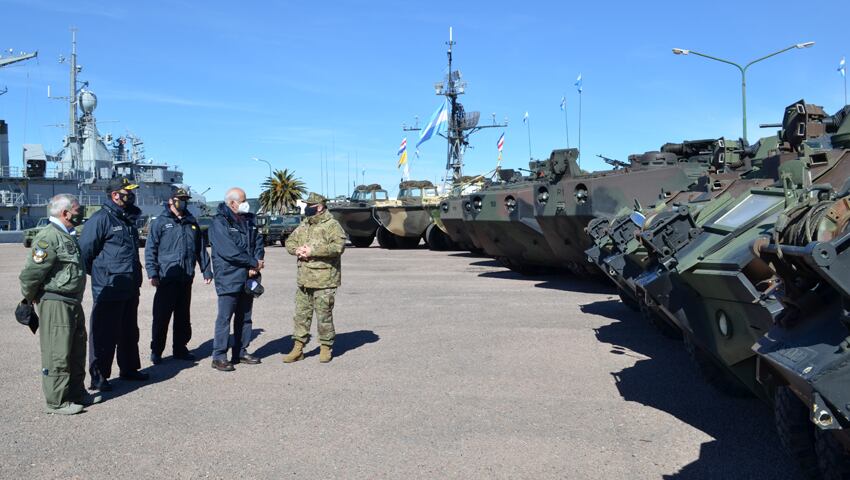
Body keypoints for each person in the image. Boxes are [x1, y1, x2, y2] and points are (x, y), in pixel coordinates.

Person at [19, 194, 97, 414]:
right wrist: (29, 298)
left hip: (73, 301)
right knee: (58, 352)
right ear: (65, 213)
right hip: (55, 301)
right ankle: (57, 401)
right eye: (77, 209)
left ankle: (76, 393)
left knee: (76, 350)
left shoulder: (68, 236)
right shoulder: (48, 238)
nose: (80, 212)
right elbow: (31, 274)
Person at [80, 176, 148, 391]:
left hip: (129, 284)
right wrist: (101, 274)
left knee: (129, 331)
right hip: (108, 286)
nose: (131, 195)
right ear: (115, 195)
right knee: (104, 333)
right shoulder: (101, 219)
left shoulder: (126, 219)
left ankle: (129, 369)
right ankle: (99, 377)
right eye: (127, 192)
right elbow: (84, 253)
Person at [145, 187, 213, 365]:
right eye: (179, 199)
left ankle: (180, 349)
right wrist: (152, 272)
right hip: (166, 277)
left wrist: (206, 270)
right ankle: (157, 351)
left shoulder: (191, 222)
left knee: (183, 317)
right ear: (171, 201)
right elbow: (150, 249)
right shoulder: (160, 222)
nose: (183, 202)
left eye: (185, 199)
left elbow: (200, 248)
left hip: (186, 277)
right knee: (161, 317)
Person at [283, 192, 346, 364]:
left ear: (318, 207)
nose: (306, 209)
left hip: (324, 279)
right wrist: (297, 250)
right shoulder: (305, 224)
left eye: (309, 206)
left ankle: (326, 347)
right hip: (304, 279)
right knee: (301, 315)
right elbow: (290, 241)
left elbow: (338, 246)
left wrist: (312, 251)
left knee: (324, 315)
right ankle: (298, 348)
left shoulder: (332, 225)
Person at [209, 187, 265, 372]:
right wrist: (251, 263)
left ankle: (240, 351)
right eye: (243, 200)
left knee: (245, 317)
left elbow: (258, 242)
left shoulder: (248, 220)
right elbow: (228, 251)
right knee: (225, 318)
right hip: (229, 276)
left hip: (249, 276)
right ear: (232, 203)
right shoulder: (219, 223)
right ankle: (219, 356)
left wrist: (254, 264)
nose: (246, 203)